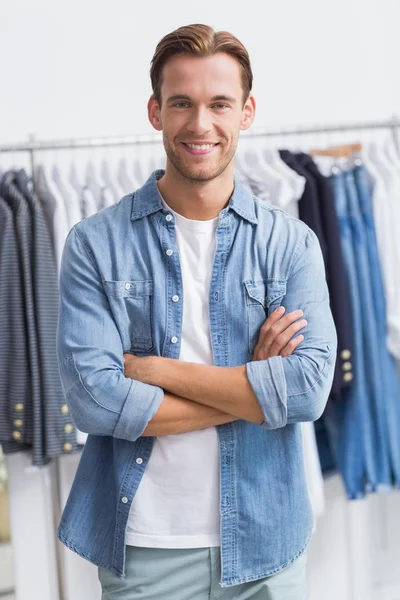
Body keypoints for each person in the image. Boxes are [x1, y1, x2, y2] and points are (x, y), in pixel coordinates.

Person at [57, 23, 337, 600]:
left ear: (247, 111)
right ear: (156, 111)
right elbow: (94, 400)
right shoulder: (94, 244)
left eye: (219, 104)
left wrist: (159, 371)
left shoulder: (290, 244)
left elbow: (307, 391)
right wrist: (257, 394)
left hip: (267, 544)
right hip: (145, 549)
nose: (200, 124)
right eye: (182, 103)